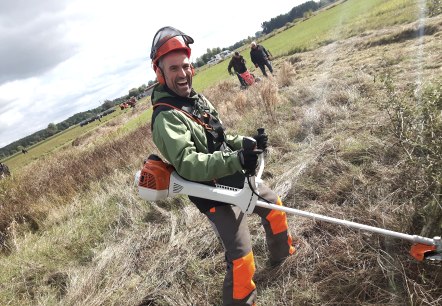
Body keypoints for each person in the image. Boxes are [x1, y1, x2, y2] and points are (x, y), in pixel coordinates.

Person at [149, 26, 296, 305]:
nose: (182, 74)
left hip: (232, 174)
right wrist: (237, 159)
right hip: (209, 192)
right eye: (174, 69)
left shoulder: (197, 99)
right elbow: (189, 164)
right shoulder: (166, 118)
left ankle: (282, 256)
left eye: (186, 66)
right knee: (241, 254)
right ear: (160, 73)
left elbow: (220, 136)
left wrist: (247, 143)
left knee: (275, 208)